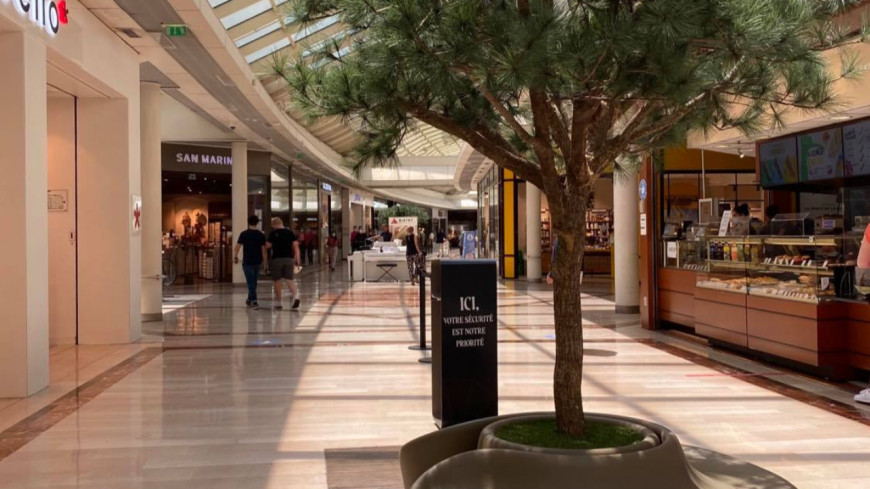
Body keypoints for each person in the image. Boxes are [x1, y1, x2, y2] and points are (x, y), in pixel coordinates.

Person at [266, 217, 301, 310]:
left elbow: (268, 246)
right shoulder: (290, 232)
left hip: (277, 259)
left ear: (274, 225)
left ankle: (279, 303)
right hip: (289, 259)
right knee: (290, 279)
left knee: (277, 281)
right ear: (281, 223)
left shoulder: (273, 233)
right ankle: (296, 297)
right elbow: (296, 246)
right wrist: (297, 259)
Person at [233, 215, 267, 308]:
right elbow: (263, 251)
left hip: (247, 261)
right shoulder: (261, 235)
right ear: (257, 223)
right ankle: (249, 299)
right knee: (254, 282)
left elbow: (237, 247)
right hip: (258, 261)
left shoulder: (244, 234)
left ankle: (254, 300)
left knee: (250, 282)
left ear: (248, 223)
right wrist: (265, 263)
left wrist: (235, 257)